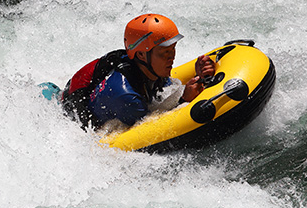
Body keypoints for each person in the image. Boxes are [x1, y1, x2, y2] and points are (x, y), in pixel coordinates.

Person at [61, 13, 215, 129]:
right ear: (141, 54)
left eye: (173, 49)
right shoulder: (125, 97)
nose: (171, 57)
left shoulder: (148, 68)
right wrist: (184, 101)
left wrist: (199, 77)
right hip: (72, 112)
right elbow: (155, 127)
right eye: (164, 52)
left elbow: (166, 92)